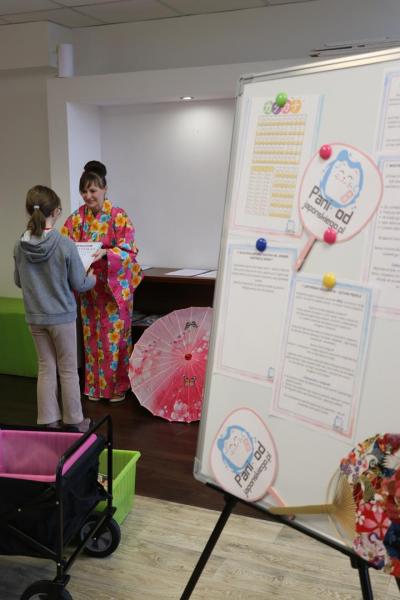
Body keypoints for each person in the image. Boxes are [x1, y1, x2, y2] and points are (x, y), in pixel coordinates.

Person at [13, 185, 96, 432]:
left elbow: (19, 281)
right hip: (62, 318)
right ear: (57, 212)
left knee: (46, 368)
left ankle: (49, 421)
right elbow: (79, 284)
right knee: (68, 370)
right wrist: (92, 277)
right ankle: (75, 422)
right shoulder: (65, 245)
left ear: (29, 211)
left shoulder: (19, 245)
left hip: (35, 318)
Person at [61, 160, 143, 403]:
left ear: (104, 188)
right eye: (84, 191)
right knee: (91, 338)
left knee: (114, 339)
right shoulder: (76, 219)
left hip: (114, 288)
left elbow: (130, 250)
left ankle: (117, 386)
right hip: (89, 287)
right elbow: (64, 246)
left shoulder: (118, 216)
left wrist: (107, 253)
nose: (88, 196)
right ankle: (95, 386)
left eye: (93, 190)